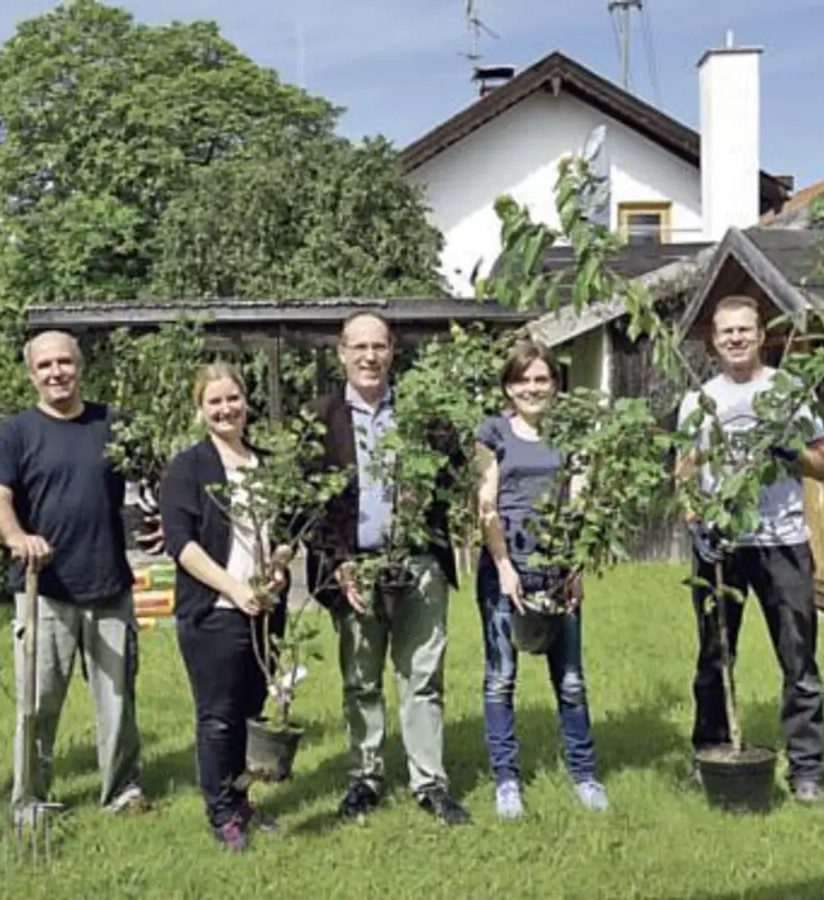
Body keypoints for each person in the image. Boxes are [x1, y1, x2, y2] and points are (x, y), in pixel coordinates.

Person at [302, 311, 471, 826]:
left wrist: (429, 492)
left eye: (379, 346)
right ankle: (365, 777)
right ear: (342, 354)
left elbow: (457, 479)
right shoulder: (319, 418)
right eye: (359, 347)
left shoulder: (424, 416)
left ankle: (429, 782)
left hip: (418, 563)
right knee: (361, 679)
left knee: (422, 676)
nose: (370, 356)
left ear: (393, 351)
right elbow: (307, 505)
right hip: (353, 567)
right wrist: (340, 564)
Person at [0, 330, 150, 820]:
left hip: (109, 584)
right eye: (45, 366)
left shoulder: (112, 424)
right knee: (37, 703)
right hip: (45, 590)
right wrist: (16, 537)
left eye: (64, 363)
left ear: (79, 367)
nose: (56, 373)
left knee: (117, 700)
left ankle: (123, 789)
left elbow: (153, 472)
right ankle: (30, 798)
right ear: (31, 374)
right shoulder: (15, 433)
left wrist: (162, 517)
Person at [676, 294, 824, 805]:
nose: (736, 338)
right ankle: (711, 752)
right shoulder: (699, 399)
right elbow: (685, 471)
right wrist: (696, 517)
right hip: (722, 545)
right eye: (726, 332)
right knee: (714, 656)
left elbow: (823, 464)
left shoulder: (789, 392)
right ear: (713, 340)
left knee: (798, 659)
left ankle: (806, 769)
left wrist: (787, 448)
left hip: (781, 541)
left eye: (745, 329)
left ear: (761, 334)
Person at [159, 363, 291, 851]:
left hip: (265, 610)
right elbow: (182, 545)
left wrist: (278, 564)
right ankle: (220, 814)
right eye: (214, 401)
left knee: (251, 710)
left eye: (232, 398)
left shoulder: (267, 464)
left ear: (245, 400)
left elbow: (286, 533)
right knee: (218, 715)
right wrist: (234, 589)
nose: (225, 409)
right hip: (214, 610)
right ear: (201, 410)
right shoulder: (188, 468)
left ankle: (242, 801)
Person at [473, 341, 607, 819]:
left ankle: (585, 774)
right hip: (505, 568)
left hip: (556, 568)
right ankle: (507, 781)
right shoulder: (492, 433)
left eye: (541, 379)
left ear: (555, 384)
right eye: (523, 380)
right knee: (501, 678)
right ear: (509, 386)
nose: (533, 388)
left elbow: (580, 501)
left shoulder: (571, 434)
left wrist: (574, 564)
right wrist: (504, 565)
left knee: (570, 680)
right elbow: (486, 503)